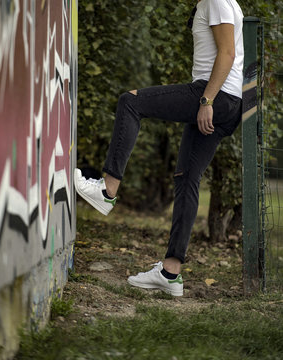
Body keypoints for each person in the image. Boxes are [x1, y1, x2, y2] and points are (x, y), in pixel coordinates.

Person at [74, 0, 244, 297]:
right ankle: (170, 273)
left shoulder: (216, 1)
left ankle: (106, 190)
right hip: (227, 101)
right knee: (187, 179)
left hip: (213, 95)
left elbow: (227, 54)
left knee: (131, 101)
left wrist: (206, 101)